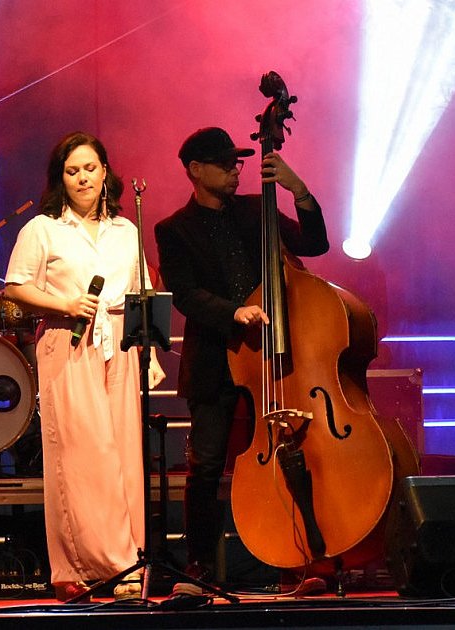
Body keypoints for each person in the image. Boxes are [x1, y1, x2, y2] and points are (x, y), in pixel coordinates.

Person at [154, 127, 329, 592]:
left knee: (287, 455)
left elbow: (315, 245)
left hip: (271, 357)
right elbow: (186, 296)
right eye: (225, 163)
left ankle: (294, 557)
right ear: (195, 170)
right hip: (216, 358)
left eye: (238, 162)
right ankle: (200, 566)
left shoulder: (258, 209)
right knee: (207, 466)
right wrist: (234, 311)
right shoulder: (173, 229)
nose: (236, 170)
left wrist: (300, 191)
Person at [3, 131, 165, 601]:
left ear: (105, 172)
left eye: (90, 168)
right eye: (72, 171)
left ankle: (128, 559)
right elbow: (15, 287)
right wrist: (65, 303)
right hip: (67, 341)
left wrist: (150, 353)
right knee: (81, 458)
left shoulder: (125, 230)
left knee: (122, 455)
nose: (82, 178)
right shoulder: (43, 229)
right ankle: (88, 568)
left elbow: (142, 295)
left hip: (121, 345)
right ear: (61, 178)